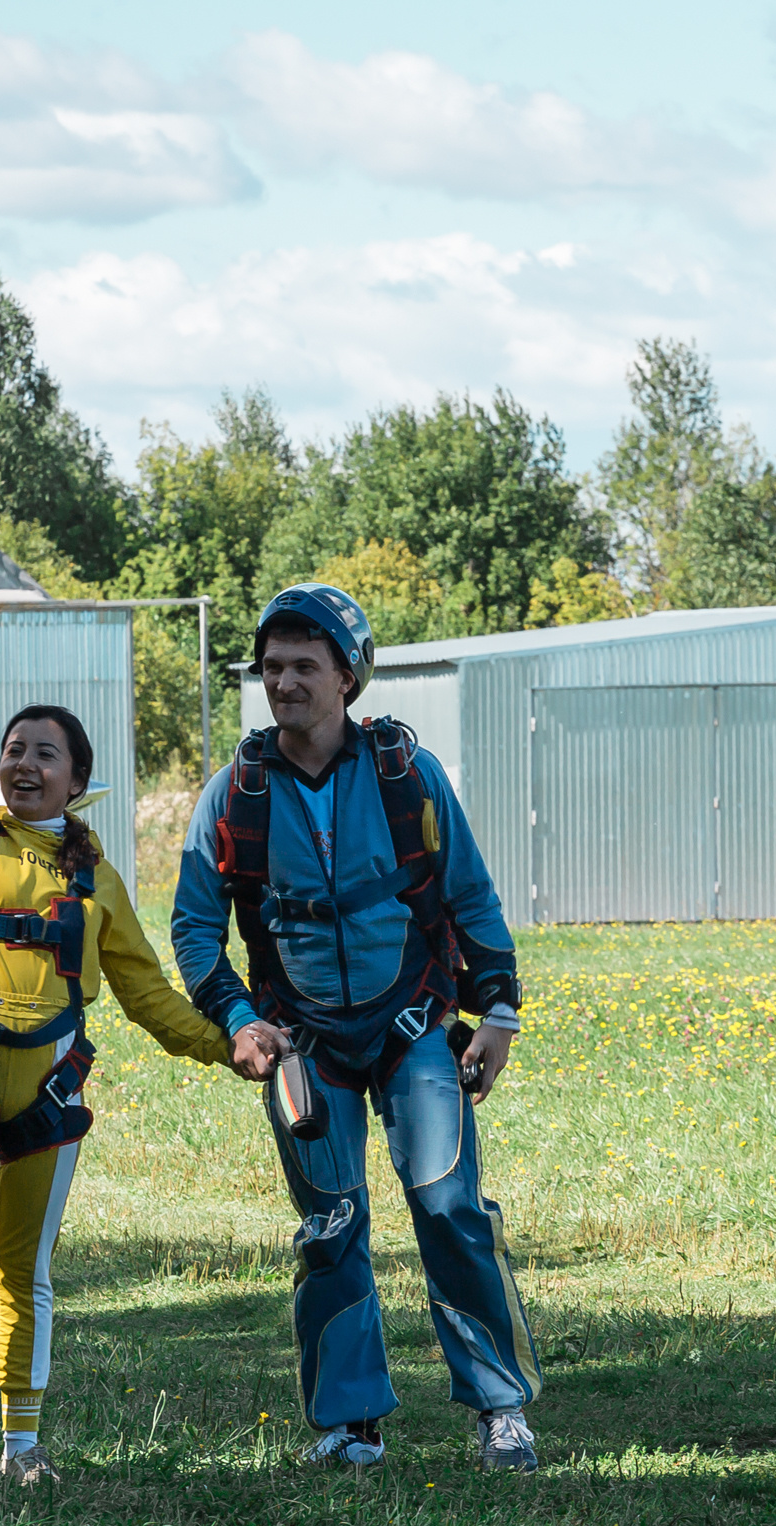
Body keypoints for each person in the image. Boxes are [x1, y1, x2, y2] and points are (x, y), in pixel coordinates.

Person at [0, 576, 245, 1489]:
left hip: (47, 1091)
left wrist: (230, 1043)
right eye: (14, 751)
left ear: (78, 778)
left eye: (45, 753)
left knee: (22, 1270)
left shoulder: (99, 883)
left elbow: (150, 995)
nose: (25, 764)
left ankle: (22, 1448)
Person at [171, 583, 542, 1472]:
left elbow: (469, 892)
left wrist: (495, 1012)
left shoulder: (407, 776)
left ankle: (499, 1409)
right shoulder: (234, 795)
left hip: (415, 1024)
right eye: (272, 668)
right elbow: (193, 926)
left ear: (348, 674)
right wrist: (239, 1019)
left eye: (305, 665)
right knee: (331, 1223)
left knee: (450, 1204)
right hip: (305, 1045)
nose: (285, 682)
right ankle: (349, 1424)